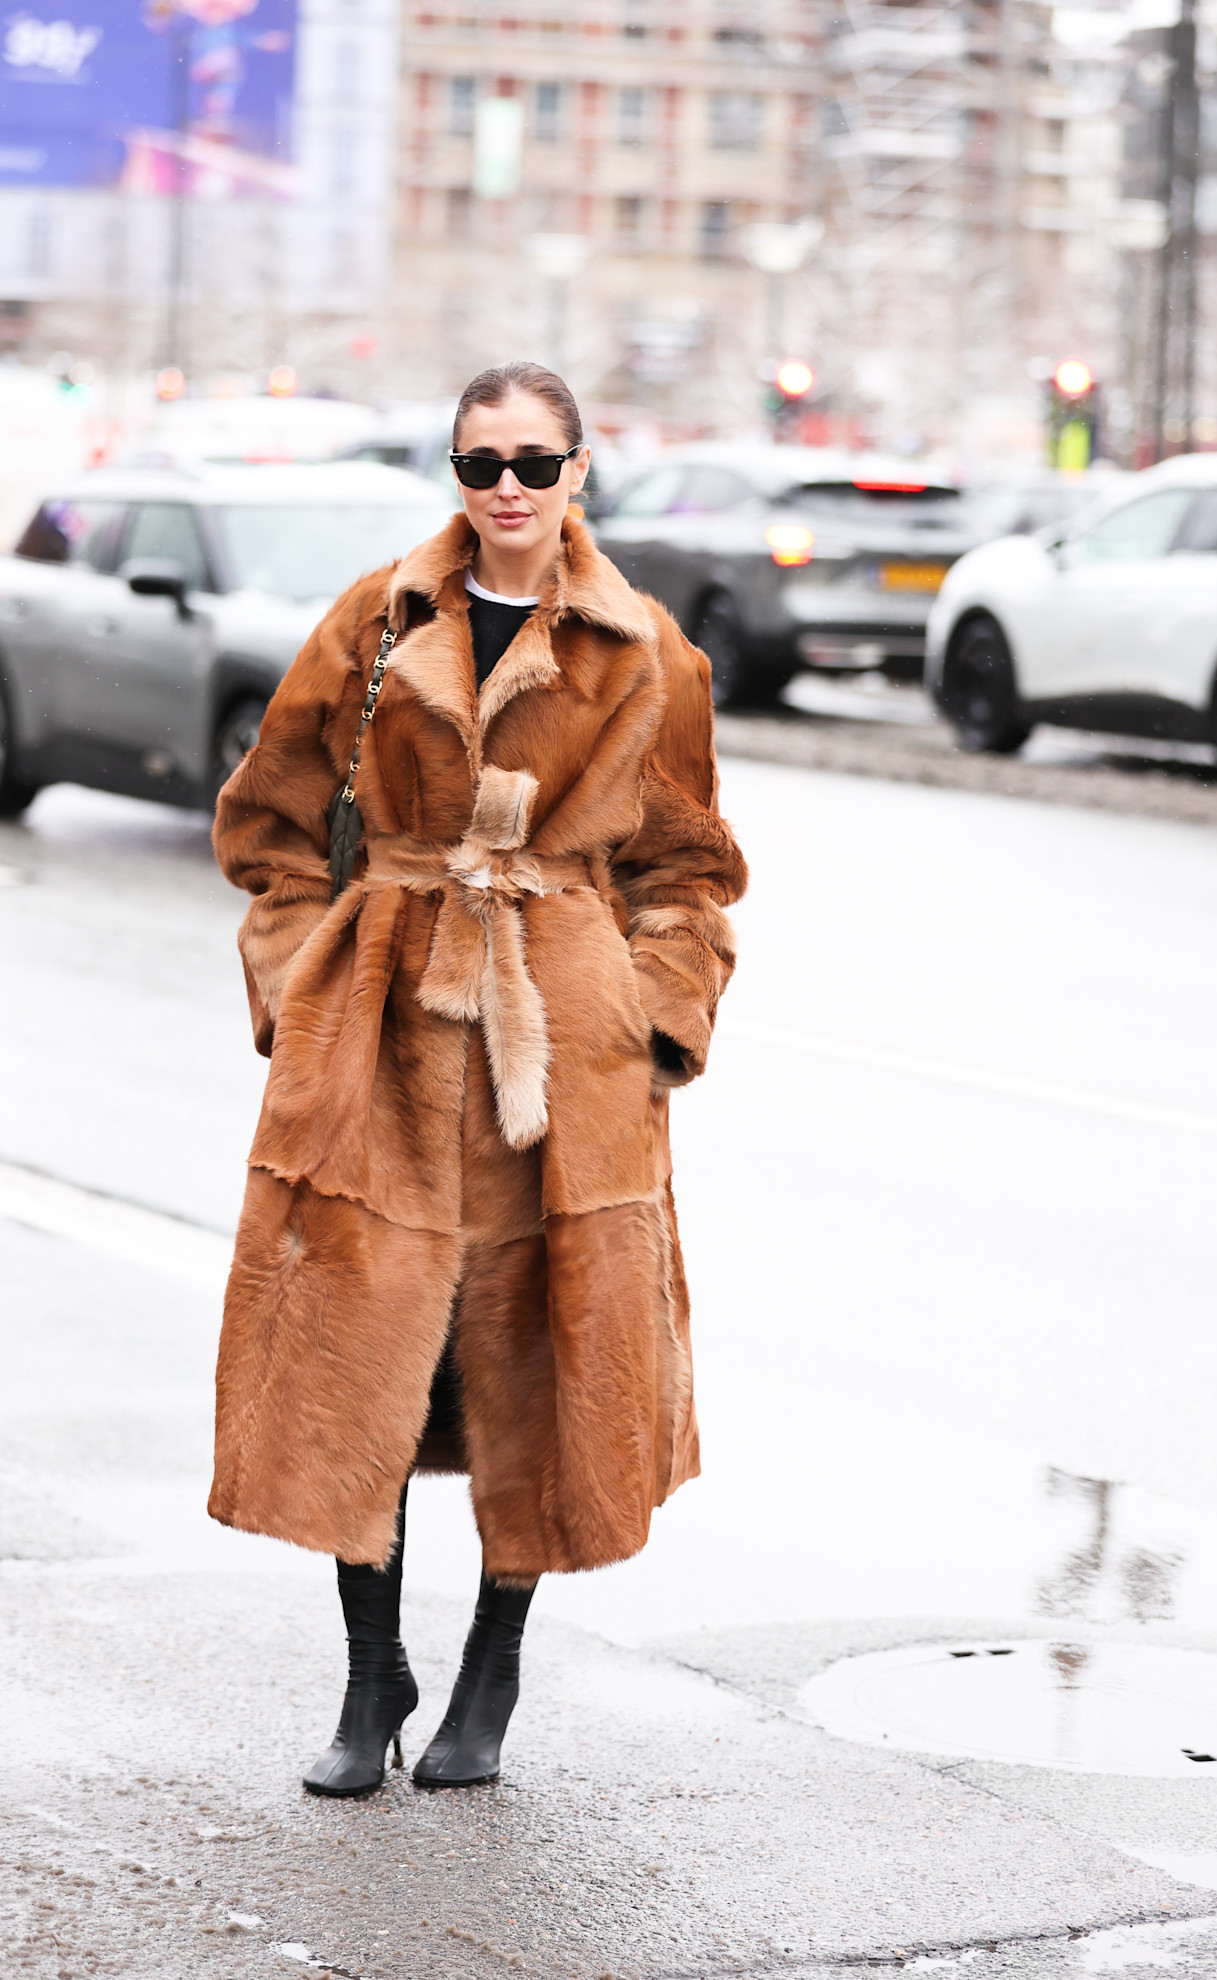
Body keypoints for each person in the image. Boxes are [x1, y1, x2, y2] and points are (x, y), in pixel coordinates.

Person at [208, 360, 747, 1796]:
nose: (507, 487)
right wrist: (301, 986)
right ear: (454, 474)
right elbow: (266, 823)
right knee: (359, 1350)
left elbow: (688, 871)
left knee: (537, 1363)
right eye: (479, 463)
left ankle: (492, 1670)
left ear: (580, 472)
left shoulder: (646, 651)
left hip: (561, 1058)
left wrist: (651, 1018)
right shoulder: (375, 621)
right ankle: (367, 1673)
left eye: (533, 462)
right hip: (379, 1029)